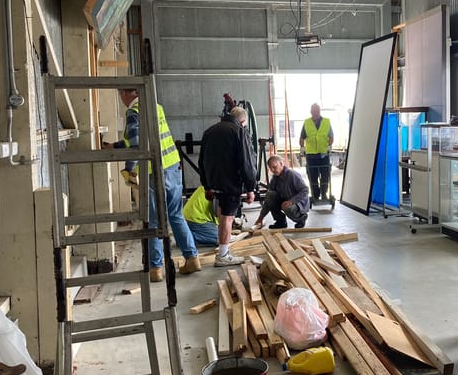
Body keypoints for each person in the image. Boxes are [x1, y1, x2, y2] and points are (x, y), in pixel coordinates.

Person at [102, 87, 200, 282]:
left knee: (152, 221)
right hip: (172, 167)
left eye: (121, 94)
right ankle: (192, 258)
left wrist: (129, 168)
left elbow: (137, 145)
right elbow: (143, 139)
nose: (121, 98)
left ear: (129, 93)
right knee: (175, 215)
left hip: (152, 171)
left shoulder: (133, 111)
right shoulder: (156, 107)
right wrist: (116, 146)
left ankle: (155, 269)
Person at [199, 106, 257, 267]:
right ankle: (223, 255)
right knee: (227, 217)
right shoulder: (239, 131)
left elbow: (202, 160)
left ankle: (224, 247)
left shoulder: (210, 131)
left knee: (222, 214)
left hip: (214, 181)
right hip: (231, 182)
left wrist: (206, 184)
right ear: (243, 120)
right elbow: (247, 162)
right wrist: (251, 187)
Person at [253, 155, 310, 229]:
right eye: (271, 168)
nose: (273, 170)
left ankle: (301, 219)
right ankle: (280, 222)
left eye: (275, 167)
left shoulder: (292, 174)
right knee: (270, 195)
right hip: (285, 200)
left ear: (281, 164)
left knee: (288, 208)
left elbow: (305, 190)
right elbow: (268, 200)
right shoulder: (275, 178)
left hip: (299, 204)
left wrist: (291, 201)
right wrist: (260, 218)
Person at [300, 103, 334, 201]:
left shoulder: (326, 122)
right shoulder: (307, 122)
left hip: (324, 154)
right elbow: (302, 137)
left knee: (325, 176)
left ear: (319, 111)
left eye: (317, 111)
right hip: (311, 155)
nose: (316, 113)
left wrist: (329, 146)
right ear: (311, 112)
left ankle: (324, 194)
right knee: (313, 177)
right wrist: (302, 148)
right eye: (314, 111)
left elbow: (331, 136)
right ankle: (315, 195)